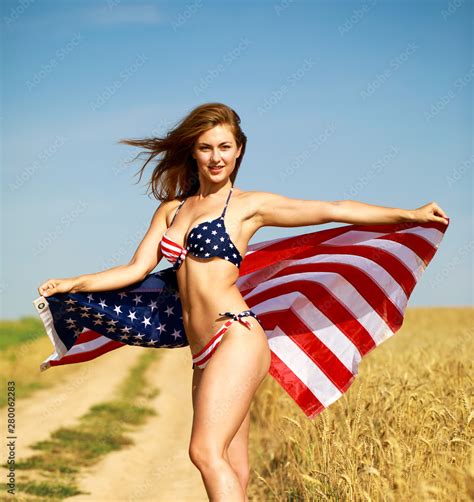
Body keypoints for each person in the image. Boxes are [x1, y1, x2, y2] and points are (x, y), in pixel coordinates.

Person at [37, 102, 449, 501]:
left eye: (224, 147)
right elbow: (134, 270)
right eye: (206, 147)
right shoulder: (172, 210)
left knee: (203, 451)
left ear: (239, 151)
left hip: (236, 337)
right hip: (203, 352)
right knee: (234, 465)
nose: (216, 158)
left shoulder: (249, 207)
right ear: (192, 151)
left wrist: (409, 215)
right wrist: (74, 283)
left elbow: (331, 208)